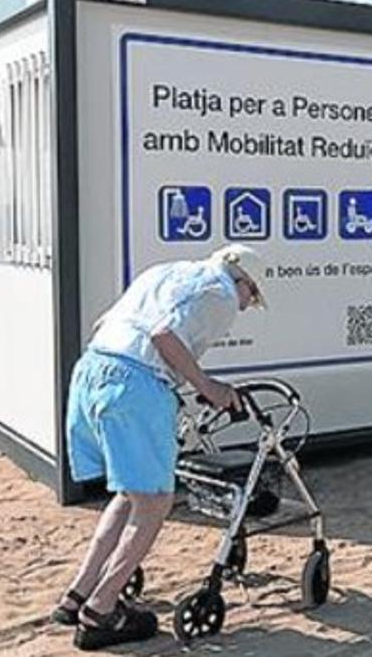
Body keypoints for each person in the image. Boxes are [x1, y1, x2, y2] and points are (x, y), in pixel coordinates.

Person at [50, 244, 266, 651]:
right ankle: (100, 610)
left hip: (93, 371)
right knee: (154, 502)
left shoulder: (164, 271)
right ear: (242, 280)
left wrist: (182, 378)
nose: (248, 305)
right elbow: (163, 335)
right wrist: (208, 387)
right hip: (135, 385)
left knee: (130, 494)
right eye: (252, 296)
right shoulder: (220, 292)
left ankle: (77, 593)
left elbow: (107, 323)